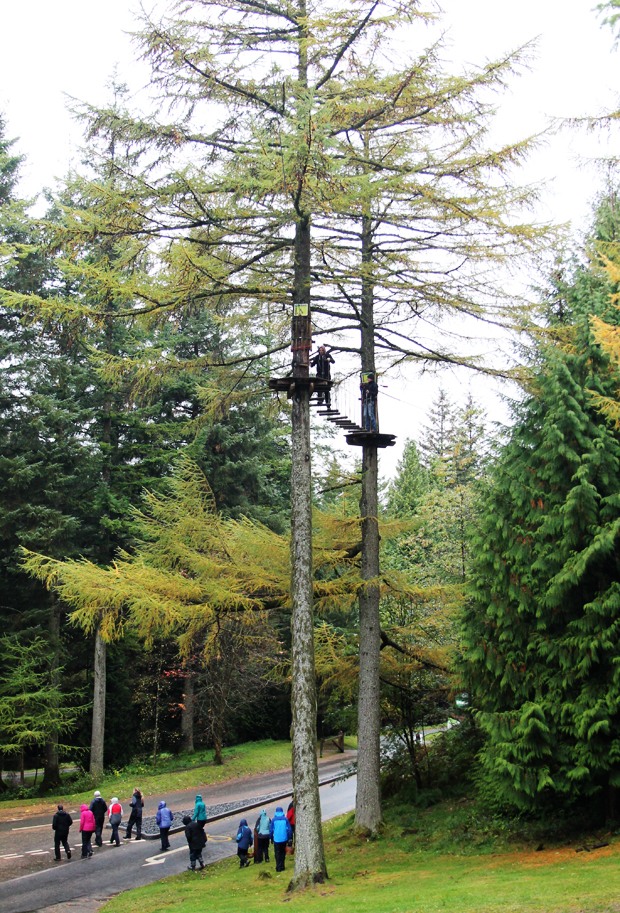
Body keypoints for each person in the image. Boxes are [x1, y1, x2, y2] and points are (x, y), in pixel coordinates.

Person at [269, 806, 292, 873]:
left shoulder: (273, 820)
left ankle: (278, 866)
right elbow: (289, 830)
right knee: (283, 852)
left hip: (276, 839)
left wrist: (271, 838)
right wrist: (290, 838)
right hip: (284, 838)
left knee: (277, 853)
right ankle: (282, 865)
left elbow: (271, 830)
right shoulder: (285, 819)